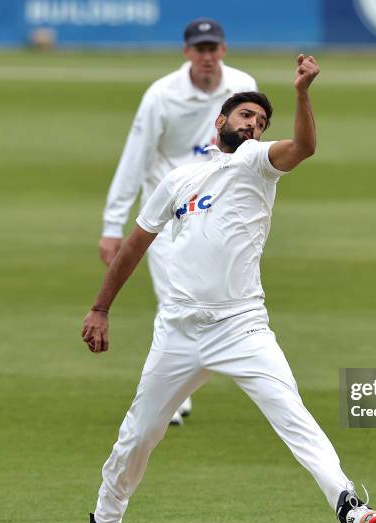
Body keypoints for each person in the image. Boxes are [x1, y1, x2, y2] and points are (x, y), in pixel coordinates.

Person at [82, 55, 376, 523]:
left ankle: (347, 504)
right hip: (179, 330)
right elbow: (134, 247)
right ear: (219, 122)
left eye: (261, 121)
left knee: (291, 412)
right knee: (138, 435)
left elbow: (305, 147)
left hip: (242, 328)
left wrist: (303, 93)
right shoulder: (179, 181)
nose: (253, 125)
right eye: (245, 116)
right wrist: (100, 308)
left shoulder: (256, 163)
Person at [99, 18, 257, 425]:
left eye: (213, 49)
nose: (206, 57)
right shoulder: (161, 96)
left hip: (221, 207)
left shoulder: (241, 86)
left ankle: (204, 372)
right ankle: (174, 396)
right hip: (170, 209)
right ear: (187, 52)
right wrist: (113, 226)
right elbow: (135, 157)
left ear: (223, 50)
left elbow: (252, 151)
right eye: (199, 49)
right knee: (174, 296)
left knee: (221, 294)